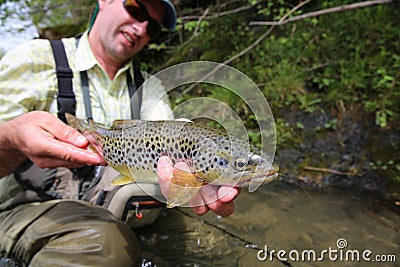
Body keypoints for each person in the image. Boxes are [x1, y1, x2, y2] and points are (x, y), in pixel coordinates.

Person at [0, 0, 240, 266]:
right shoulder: (34, 60)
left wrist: (193, 153)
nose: (141, 28)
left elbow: (172, 145)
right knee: (105, 243)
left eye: (153, 27)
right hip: (27, 207)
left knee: (213, 249)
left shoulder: (150, 87)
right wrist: (10, 138)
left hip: (117, 209)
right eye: (136, 10)